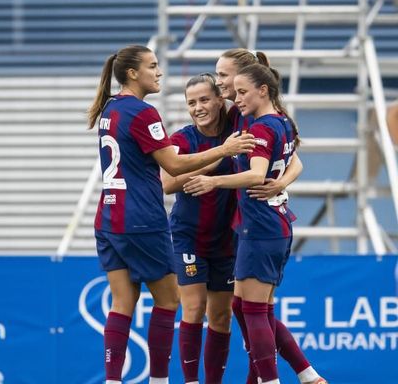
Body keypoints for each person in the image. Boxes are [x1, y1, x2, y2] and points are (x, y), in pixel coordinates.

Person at [87, 44, 256, 384]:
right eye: (152, 66)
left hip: (108, 218)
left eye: (205, 99)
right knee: (171, 300)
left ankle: (111, 380)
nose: (159, 71)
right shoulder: (145, 113)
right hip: (142, 220)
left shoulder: (110, 108)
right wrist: (224, 150)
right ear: (133, 73)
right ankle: (162, 380)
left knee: (122, 302)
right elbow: (173, 166)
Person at [183, 58, 325, 384]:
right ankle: (305, 375)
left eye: (226, 77)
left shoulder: (257, 124)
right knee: (242, 307)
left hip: (261, 225)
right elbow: (291, 161)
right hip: (263, 223)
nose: (223, 84)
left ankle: (288, 378)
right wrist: (281, 181)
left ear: (256, 86)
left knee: (254, 311)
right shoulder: (279, 121)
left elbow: (258, 173)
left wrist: (213, 181)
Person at [162, 73, 236, 384]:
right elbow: (168, 184)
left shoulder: (237, 131)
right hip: (188, 237)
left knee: (221, 317)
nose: (198, 107)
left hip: (227, 241)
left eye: (204, 99)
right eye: (191, 103)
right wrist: (218, 157)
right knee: (193, 308)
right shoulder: (182, 139)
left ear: (221, 100)